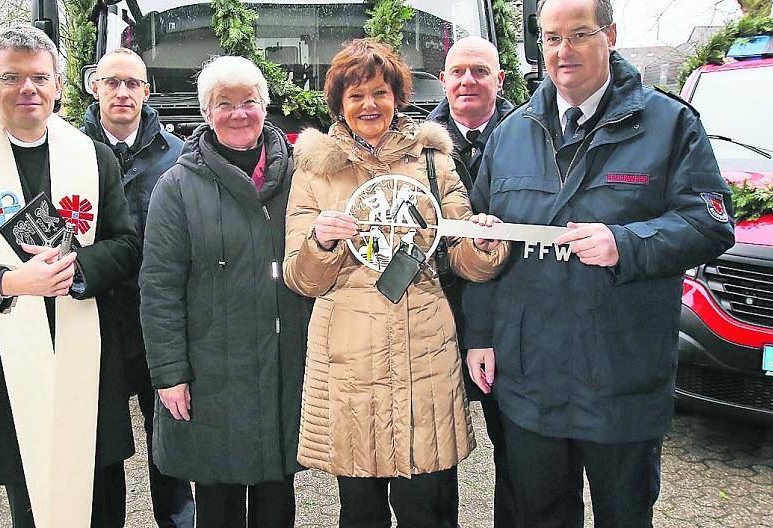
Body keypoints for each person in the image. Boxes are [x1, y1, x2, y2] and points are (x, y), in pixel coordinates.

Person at [465, 0, 736, 526]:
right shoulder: (512, 133)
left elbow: (710, 223)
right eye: (551, 38)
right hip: (530, 376)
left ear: (610, 35)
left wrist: (626, 243)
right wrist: (480, 334)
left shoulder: (669, 124)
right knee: (538, 514)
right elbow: (484, 243)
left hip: (621, 375)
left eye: (579, 34)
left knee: (624, 514)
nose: (563, 51)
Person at [0, 25, 139, 527]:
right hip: (6, 355)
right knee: (34, 501)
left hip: (85, 351)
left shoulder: (92, 156)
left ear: (59, 84)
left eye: (39, 77)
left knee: (102, 498)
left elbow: (126, 246)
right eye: (12, 77)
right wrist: (11, 282)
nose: (27, 89)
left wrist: (76, 268)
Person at [283, 38, 508, 528]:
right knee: (360, 509)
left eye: (380, 93)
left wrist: (482, 243)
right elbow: (300, 278)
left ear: (397, 97)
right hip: (349, 358)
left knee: (429, 506)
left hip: (424, 351)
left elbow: (464, 258)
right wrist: (320, 242)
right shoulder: (315, 170)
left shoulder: (432, 160)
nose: (369, 105)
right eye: (356, 95)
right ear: (339, 103)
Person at [139, 55, 311, 528]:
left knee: (277, 496)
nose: (238, 113)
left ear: (265, 106)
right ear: (205, 112)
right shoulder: (176, 186)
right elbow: (159, 288)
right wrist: (169, 372)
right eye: (224, 103)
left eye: (249, 101)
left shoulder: (300, 178)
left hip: (282, 363)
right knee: (217, 499)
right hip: (210, 371)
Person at [80, 47, 195, 528]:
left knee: (167, 431)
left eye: (132, 83)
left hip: (155, 320)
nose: (122, 92)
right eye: (112, 82)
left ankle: (177, 518)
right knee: (98, 440)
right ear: (95, 87)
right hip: (92, 318)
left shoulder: (178, 155)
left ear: (147, 91)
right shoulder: (69, 152)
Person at [427, 35, 518, 528]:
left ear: (499, 80)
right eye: (458, 72)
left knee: (517, 452)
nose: (468, 81)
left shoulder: (527, 136)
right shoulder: (418, 144)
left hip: (509, 318)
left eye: (480, 71)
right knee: (437, 451)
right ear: (443, 80)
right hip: (437, 319)